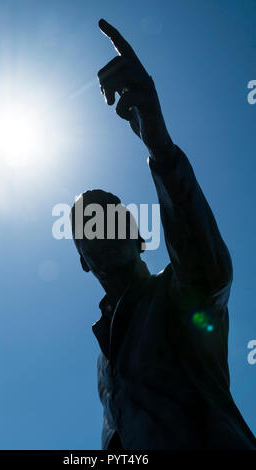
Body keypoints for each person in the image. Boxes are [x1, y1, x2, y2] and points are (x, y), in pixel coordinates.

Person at [69, 18, 256, 450]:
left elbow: (207, 272)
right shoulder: (104, 358)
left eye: (113, 215)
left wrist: (159, 145)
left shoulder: (176, 295)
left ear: (139, 237)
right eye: (88, 224)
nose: (102, 227)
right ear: (82, 257)